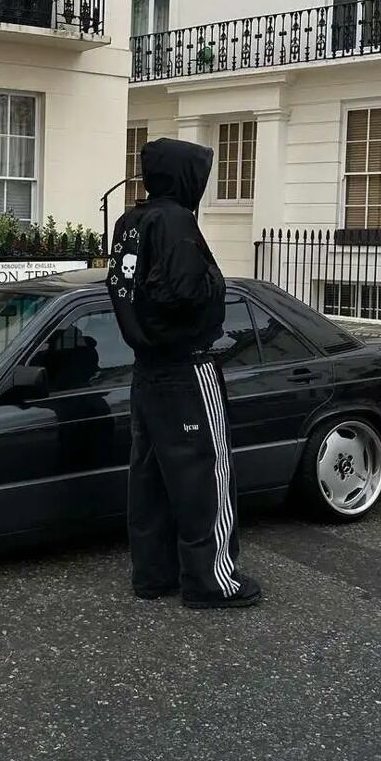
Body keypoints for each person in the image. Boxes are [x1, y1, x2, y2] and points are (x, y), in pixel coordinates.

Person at [107, 137, 261, 609]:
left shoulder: (129, 222)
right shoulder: (176, 222)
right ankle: (212, 581)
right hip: (186, 367)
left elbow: (128, 288)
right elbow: (183, 292)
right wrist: (210, 294)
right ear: (184, 176)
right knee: (205, 474)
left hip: (147, 372)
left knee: (150, 476)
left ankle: (153, 575)